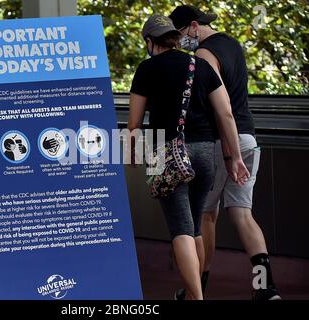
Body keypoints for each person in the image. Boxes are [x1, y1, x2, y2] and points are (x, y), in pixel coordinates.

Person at [128, 14, 249, 300]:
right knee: (194, 227)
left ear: (150, 40)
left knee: (180, 230)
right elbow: (226, 113)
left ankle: (197, 298)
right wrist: (235, 158)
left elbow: (134, 124)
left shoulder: (146, 69)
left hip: (162, 150)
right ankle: (196, 294)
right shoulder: (201, 64)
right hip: (205, 150)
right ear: (173, 37)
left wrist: (132, 152)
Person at [169, 5, 281, 300]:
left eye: (179, 34)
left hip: (224, 143)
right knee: (244, 215)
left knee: (206, 215)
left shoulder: (204, 56)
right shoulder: (232, 44)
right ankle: (265, 289)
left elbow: (222, 110)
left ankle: (198, 288)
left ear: (193, 26)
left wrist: (231, 156)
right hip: (248, 136)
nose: (179, 42)